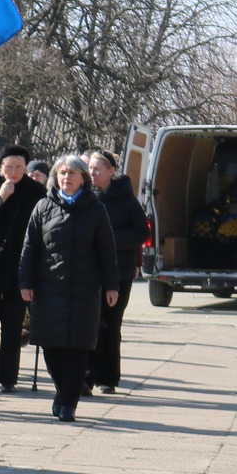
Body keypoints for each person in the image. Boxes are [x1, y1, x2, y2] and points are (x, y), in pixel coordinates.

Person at [20, 155, 118, 422]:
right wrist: (25, 282)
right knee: (51, 348)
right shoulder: (43, 207)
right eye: (62, 172)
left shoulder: (95, 210)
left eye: (73, 173)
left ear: (83, 179)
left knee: (78, 347)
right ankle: (63, 391)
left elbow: (107, 251)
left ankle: (69, 403)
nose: (67, 177)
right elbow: (30, 248)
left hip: (84, 291)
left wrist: (111, 285)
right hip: (49, 288)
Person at [0, 144, 46, 392]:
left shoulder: (36, 191)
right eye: (8, 167)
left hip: (20, 264)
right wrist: (0, 197)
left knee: (13, 322)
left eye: (19, 167)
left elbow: (41, 228)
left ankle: (8, 376)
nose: (13, 172)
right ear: (0, 166)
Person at [85, 151, 146, 395]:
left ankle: (107, 377)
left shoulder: (127, 200)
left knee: (111, 325)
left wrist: (110, 238)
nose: (93, 173)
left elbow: (142, 233)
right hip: (89, 271)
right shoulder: (86, 197)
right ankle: (85, 377)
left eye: (98, 168)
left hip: (119, 273)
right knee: (91, 325)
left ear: (111, 171)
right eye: (90, 167)